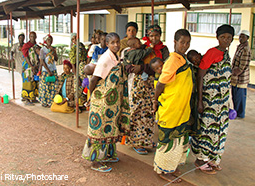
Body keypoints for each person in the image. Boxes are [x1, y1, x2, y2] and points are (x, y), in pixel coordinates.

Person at [82, 33, 130, 173]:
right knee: (99, 130)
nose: (116, 45)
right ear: (107, 44)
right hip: (102, 100)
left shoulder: (116, 57)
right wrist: (91, 97)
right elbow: (93, 80)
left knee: (109, 127)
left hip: (112, 103)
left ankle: (108, 154)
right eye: (112, 43)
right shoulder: (105, 59)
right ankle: (95, 161)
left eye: (117, 42)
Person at [191, 24, 234, 174]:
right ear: (217, 38)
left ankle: (212, 159)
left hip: (221, 103)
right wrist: (200, 101)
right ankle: (200, 160)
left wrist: (229, 104)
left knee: (219, 131)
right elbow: (200, 76)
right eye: (223, 37)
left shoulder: (227, 55)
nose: (226, 40)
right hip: (210, 101)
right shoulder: (212, 53)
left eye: (229, 38)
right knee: (207, 130)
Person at [152, 29, 193, 183]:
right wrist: (155, 101)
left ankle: (172, 165)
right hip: (171, 108)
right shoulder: (172, 61)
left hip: (181, 109)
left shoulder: (183, 59)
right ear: (175, 42)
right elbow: (160, 85)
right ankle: (163, 169)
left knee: (179, 139)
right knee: (168, 140)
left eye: (188, 42)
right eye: (182, 42)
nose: (185, 45)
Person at [125, 24, 169, 155]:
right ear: (147, 36)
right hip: (140, 84)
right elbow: (129, 63)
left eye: (156, 35)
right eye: (151, 35)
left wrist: (143, 67)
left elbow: (164, 66)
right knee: (137, 111)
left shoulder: (164, 50)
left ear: (160, 35)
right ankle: (136, 141)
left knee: (150, 112)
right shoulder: (142, 47)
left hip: (155, 83)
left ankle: (146, 141)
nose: (154, 38)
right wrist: (137, 68)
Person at [231, 30, 251, 119]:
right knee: (235, 97)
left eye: (243, 37)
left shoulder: (246, 49)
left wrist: (234, 72)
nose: (240, 38)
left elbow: (242, 66)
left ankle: (240, 114)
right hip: (235, 78)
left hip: (241, 79)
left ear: (247, 38)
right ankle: (236, 112)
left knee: (240, 98)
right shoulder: (240, 47)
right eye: (240, 36)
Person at [38, 34, 58, 107]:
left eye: (51, 40)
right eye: (48, 40)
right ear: (45, 41)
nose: (50, 41)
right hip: (46, 71)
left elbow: (56, 59)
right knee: (45, 87)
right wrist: (48, 71)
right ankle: (44, 102)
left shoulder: (53, 49)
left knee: (53, 86)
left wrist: (54, 51)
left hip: (53, 69)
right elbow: (42, 61)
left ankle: (51, 101)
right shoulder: (43, 49)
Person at [69, 33, 88, 108]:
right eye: (73, 39)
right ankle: (76, 105)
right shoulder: (73, 48)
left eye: (76, 38)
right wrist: (76, 75)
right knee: (77, 87)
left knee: (84, 85)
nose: (75, 40)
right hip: (77, 69)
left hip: (83, 68)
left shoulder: (81, 45)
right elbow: (73, 63)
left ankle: (82, 103)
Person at [21, 31, 39, 105]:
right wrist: (32, 67)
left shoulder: (36, 45)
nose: (32, 38)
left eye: (34, 36)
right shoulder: (26, 46)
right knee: (28, 82)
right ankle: (27, 99)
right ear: (29, 37)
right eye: (31, 36)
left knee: (34, 82)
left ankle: (33, 98)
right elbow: (26, 57)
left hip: (35, 66)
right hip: (28, 67)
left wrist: (36, 67)